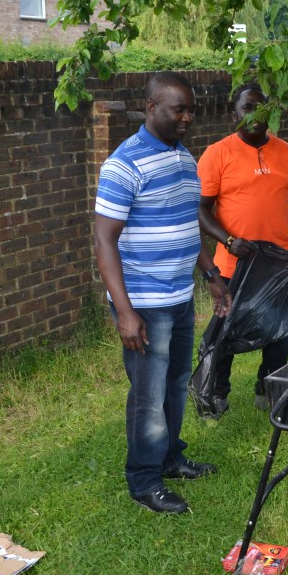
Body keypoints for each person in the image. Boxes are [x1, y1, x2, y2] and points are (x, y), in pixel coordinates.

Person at [93, 72, 231, 515]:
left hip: (180, 296)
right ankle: (144, 480)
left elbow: (187, 225)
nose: (187, 118)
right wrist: (124, 312)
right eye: (178, 109)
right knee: (148, 395)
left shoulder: (185, 158)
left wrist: (211, 273)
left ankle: (170, 458)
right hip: (144, 305)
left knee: (174, 384)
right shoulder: (124, 164)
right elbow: (104, 242)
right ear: (151, 107)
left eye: (191, 110)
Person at [197, 84, 288, 417]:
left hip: (279, 264)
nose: (255, 115)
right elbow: (201, 210)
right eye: (247, 107)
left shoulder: (286, 152)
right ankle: (217, 394)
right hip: (234, 264)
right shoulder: (217, 154)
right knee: (225, 333)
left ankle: (268, 387)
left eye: (260, 107)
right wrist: (228, 240)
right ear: (233, 113)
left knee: (279, 331)